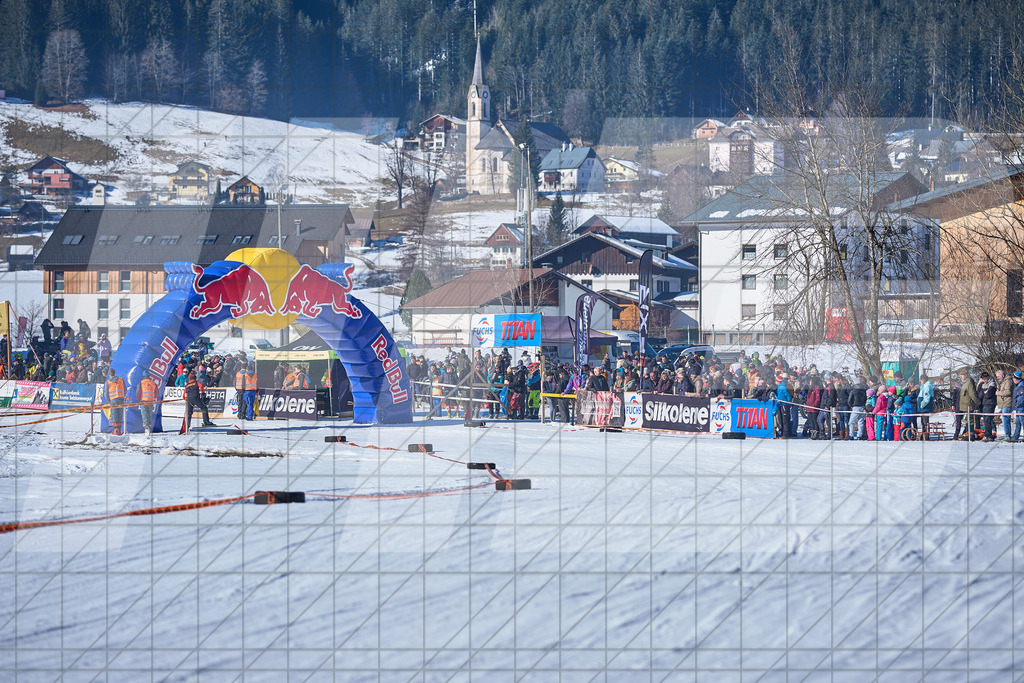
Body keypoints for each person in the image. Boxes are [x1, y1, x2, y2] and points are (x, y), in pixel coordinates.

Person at [955, 370, 979, 441]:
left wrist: (976, 401)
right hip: (967, 405)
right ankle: (969, 434)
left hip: (966, 405)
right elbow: (972, 394)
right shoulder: (968, 383)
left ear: (966, 375)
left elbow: (972, 394)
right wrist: (977, 402)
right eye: (961, 375)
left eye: (962, 375)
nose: (961, 376)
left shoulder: (967, 383)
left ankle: (968, 434)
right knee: (969, 421)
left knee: (968, 421)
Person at [104, 367, 128, 435]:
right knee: (120, 415)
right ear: (115, 373)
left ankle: (115, 430)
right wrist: (123, 396)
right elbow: (125, 389)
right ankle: (119, 430)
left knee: (114, 415)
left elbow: (106, 393)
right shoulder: (121, 379)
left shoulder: (108, 382)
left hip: (113, 400)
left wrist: (109, 400)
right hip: (121, 399)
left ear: (109, 374)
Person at [978, 371, 997, 441]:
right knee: (985, 420)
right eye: (983, 379)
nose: (984, 380)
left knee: (988, 419)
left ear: (988, 377)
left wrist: (985, 393)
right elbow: (980, 394)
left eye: (985, 378)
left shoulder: (992, 384)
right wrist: (984, 392)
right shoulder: (982, 384)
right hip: (984, 404)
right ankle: (987, 434)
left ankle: (989, 435)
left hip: (990, 404)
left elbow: (989, 395)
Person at [996, 369, 1014, 441]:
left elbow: (1008, 392)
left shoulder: (1008, 381)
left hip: (1007, 403)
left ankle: (1008, 435)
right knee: (1005, 419)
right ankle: (1007, 434)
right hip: (1003, 403)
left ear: (1002, 375)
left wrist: (999, 393)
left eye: (998, 376)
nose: (997, 378)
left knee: (1005, 419)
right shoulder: (1004, 382)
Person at [917, 373, 935, 441]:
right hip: (923, 408)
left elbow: (926, 398)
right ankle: (924, 434)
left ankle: (926, 435)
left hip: (925, 408)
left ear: (924, 380)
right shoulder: (924, 386)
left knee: (925, 422)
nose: (920, 382)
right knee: (923, 422)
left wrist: (922, 404)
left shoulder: (927, 386)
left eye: (921, 380)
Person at [1012, 372, 1024, 442]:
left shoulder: (1021, 386)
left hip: (1020, 408)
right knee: (1018, 423)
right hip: (1018, 408)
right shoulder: (1018, 385)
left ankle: (1015, 437)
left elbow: (1022, 397)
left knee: (1022, 423)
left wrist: (1017, 404)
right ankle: (1015, 437)